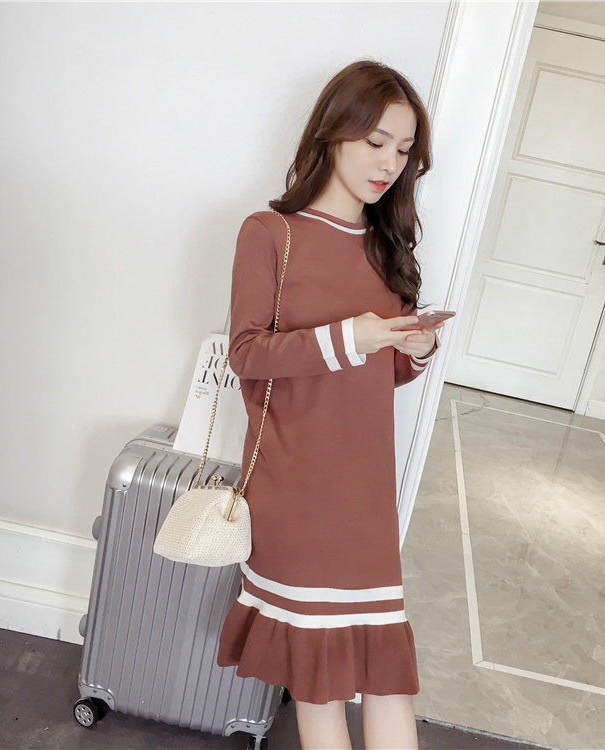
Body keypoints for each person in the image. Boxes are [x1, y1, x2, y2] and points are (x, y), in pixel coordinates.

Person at [216, 59, 443, 750]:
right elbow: (247, 354)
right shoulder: (269, 233)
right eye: (376, 142)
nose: (390, 164)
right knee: (320, 687)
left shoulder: (386, 248)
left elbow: (376, 376)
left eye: (404, 150)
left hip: (365, 494)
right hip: (296, 489)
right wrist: (355, 336)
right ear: (333, 131)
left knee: (388, 677)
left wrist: (414, 350)